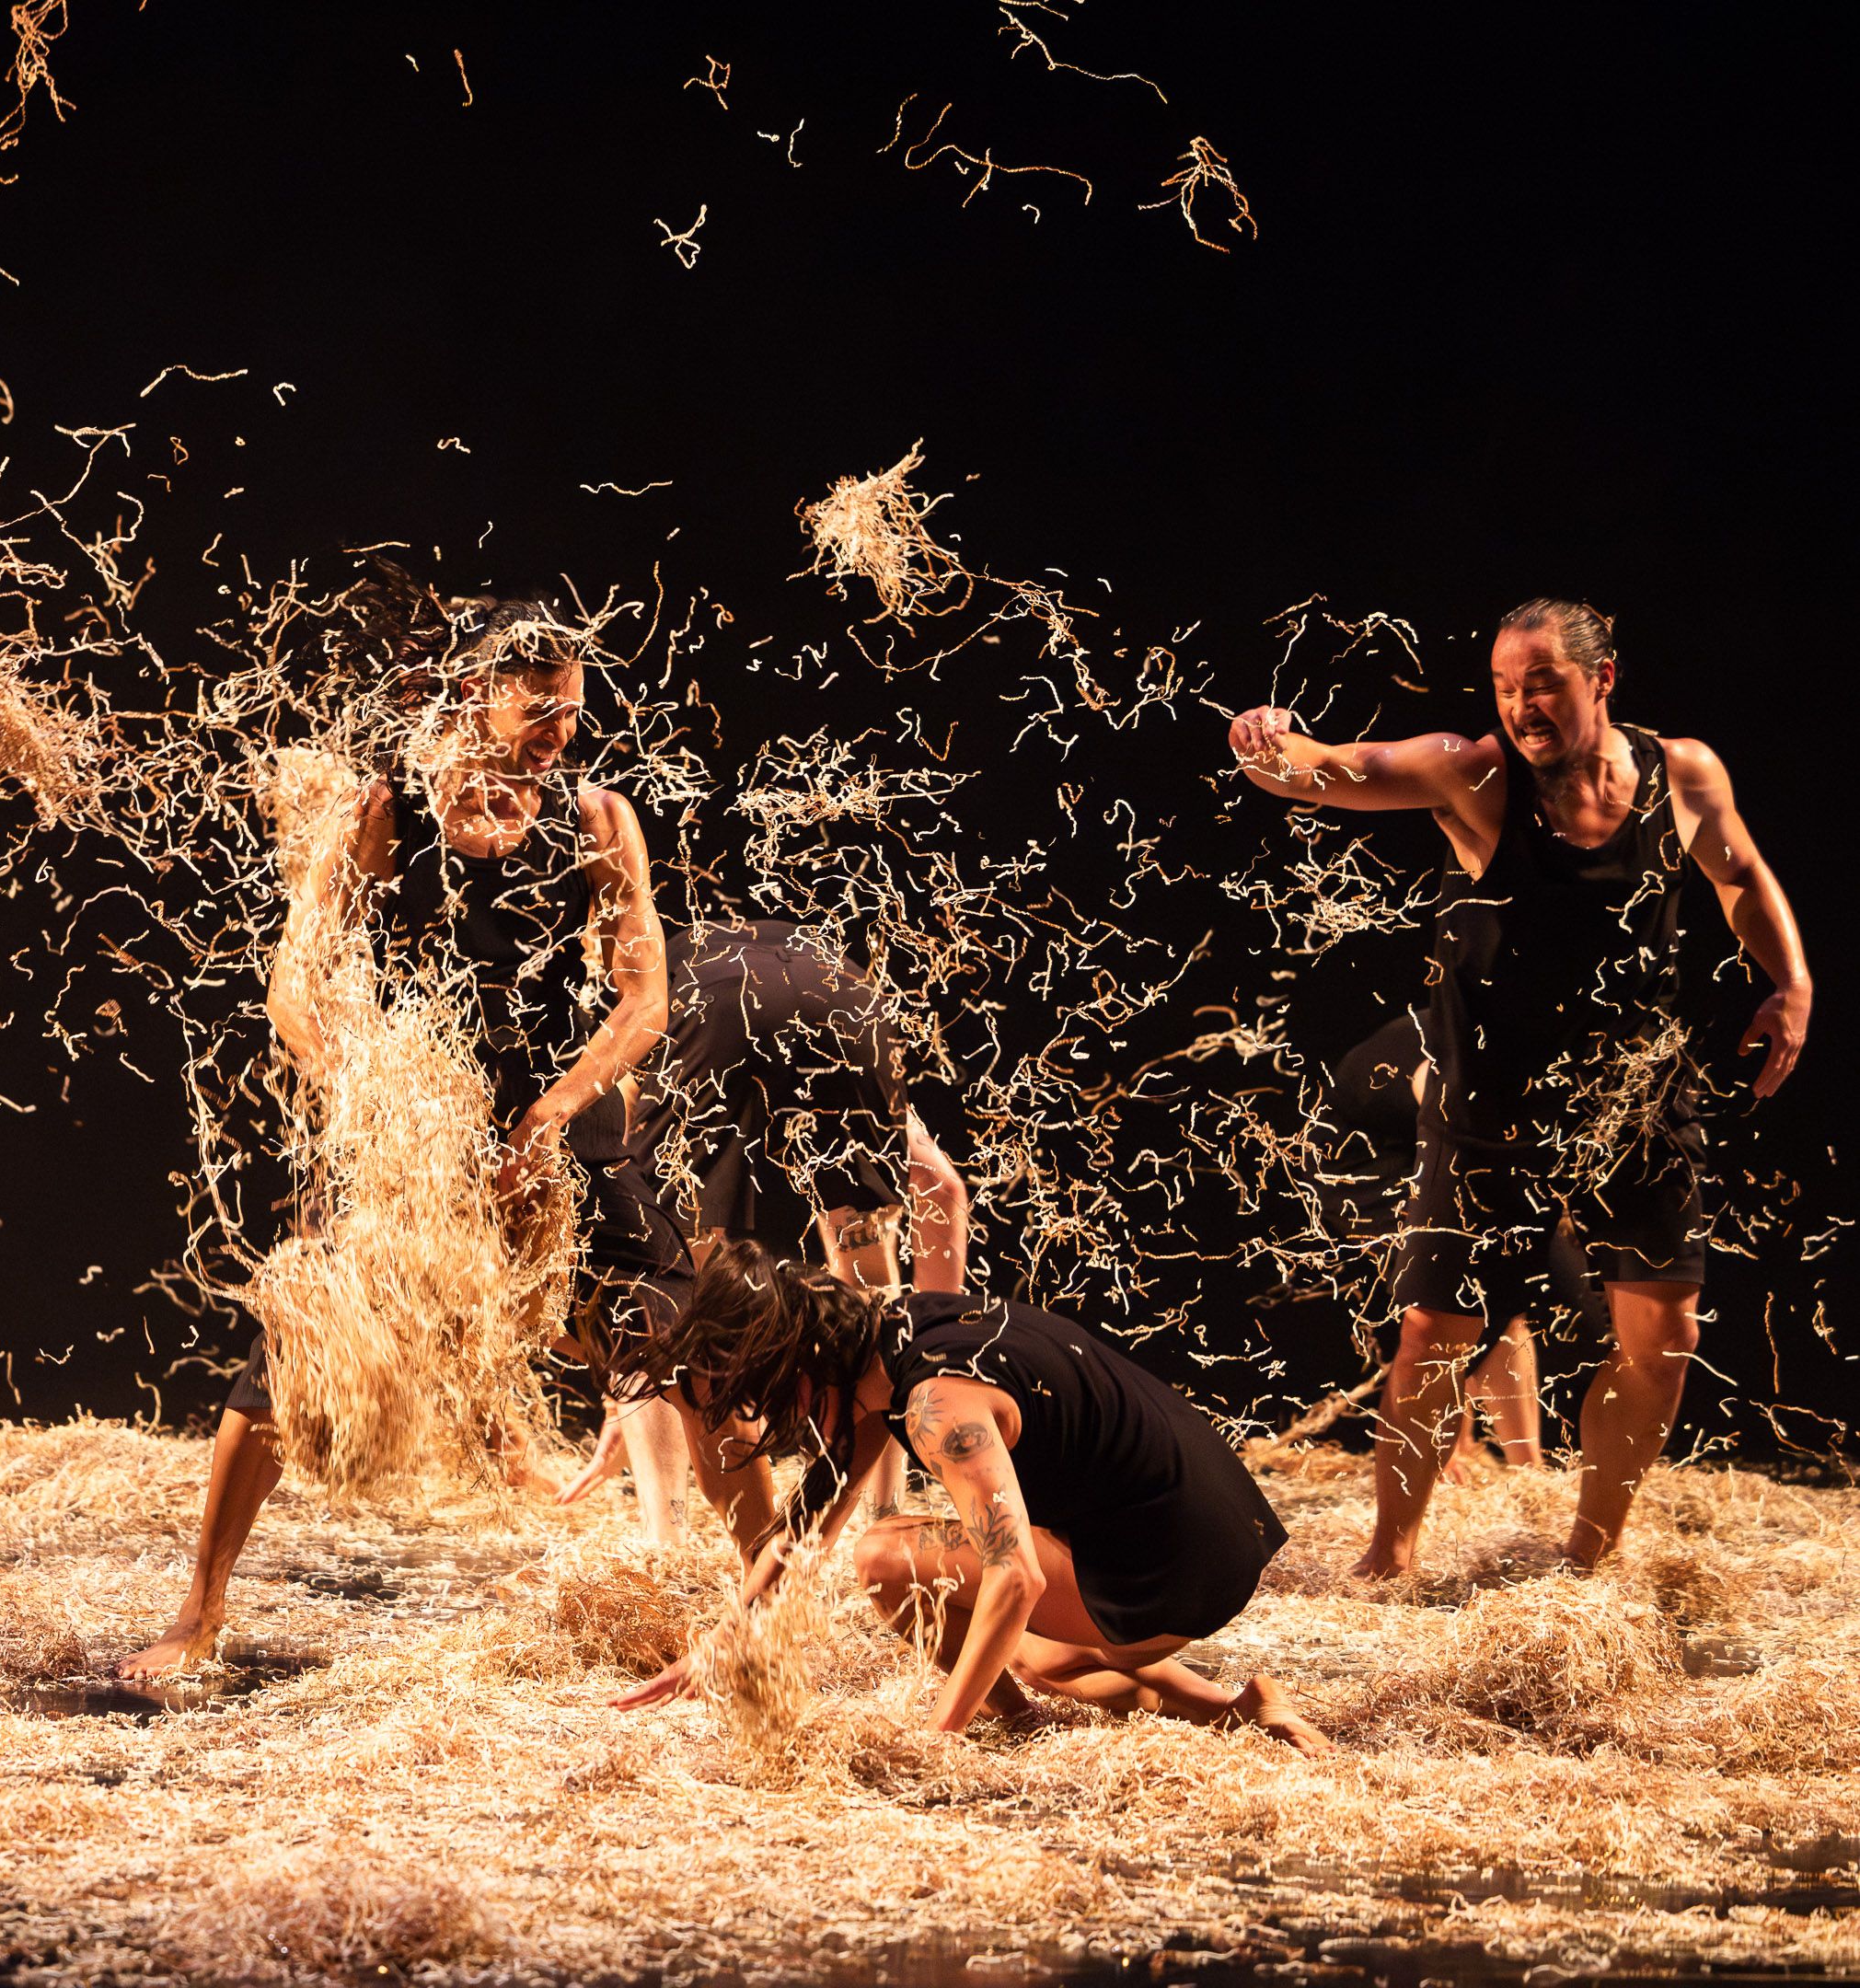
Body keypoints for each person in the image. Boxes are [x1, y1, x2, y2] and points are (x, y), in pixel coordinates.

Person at [118, 587, 669, 1681]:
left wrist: (556, 1113)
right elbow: (295, 984)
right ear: (475, 692)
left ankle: (713, 1605)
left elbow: (643, 998)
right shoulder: (389, 809)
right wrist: (369, 1101)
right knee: (286, 1358)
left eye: (572, 705)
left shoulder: (597, 819)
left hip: (547, 1114)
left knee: (666, 1329)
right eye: (538, 706)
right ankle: (199, 1613)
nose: (560, 729)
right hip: (412, 1119)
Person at [1230, 598, 1811, 1575]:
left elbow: (1741, 877)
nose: (1520, 706)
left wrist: (1791, 982)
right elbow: (1338, 773)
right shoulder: (1479, 777)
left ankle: (1587, 1557)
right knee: (1436, 1338)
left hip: (1633, 1104)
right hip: (1491, 1108)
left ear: (1603, 679)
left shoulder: (1683, 772)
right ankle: (1389, 1556)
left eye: (1540, 683)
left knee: (1662, 1334)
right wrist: (1267, 743)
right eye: (1504, 687)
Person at [607, 1238, 1326, 1753]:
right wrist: (722, 1645)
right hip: (1206, 1538)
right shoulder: (897, 1336)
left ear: (799, 1377)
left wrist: (932, 1742)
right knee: (1040, 1661)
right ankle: (1239, 1708)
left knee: (886, 1559)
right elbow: (807, 1527)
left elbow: (1018, 1576)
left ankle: (997, 1727)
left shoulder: (937, 1404)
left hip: (1176, 1566)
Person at [558, 917, 972, 1549]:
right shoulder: (823, 974)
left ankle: (664, 1545)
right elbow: (943, 1189)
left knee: (670, 1295)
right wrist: (936, 1353)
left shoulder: (647, 984)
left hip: (712, 1010)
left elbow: (645, 1283)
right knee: (867, 1277)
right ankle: (884, 1521)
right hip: (847, 1005)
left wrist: (628, 1395)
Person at [1322, 1010, 1565, 1478]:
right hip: (1364, 1167)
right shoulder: (1452, 1057)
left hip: (1423, 1141)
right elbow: (1451, 1131)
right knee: (1460, 1298)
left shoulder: (1523, 1042)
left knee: (1496, 1300)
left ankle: (1513, 1466)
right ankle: (1465, 1452)